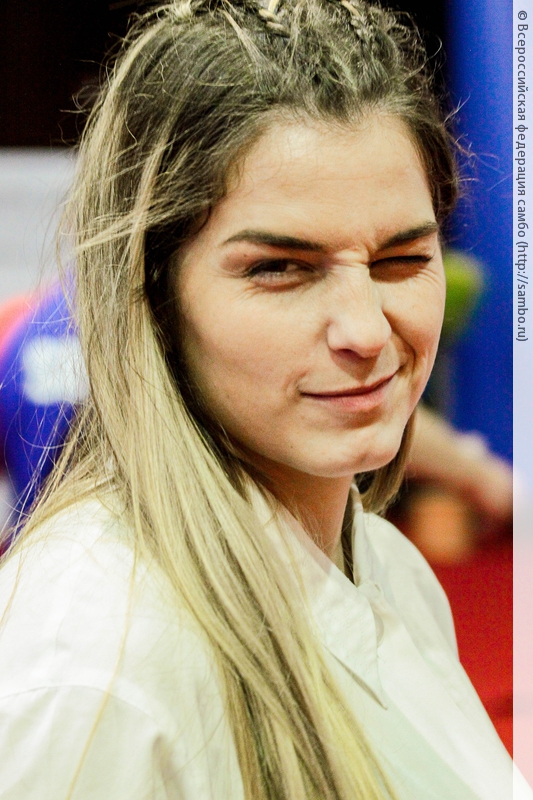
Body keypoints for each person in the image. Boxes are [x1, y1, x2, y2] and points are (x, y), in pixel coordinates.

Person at [0, 1, 525, 798]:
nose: (364, 330)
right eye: (279, 268)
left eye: (400, 258)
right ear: (151, 292)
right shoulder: (97, 668)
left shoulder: (385, 566)